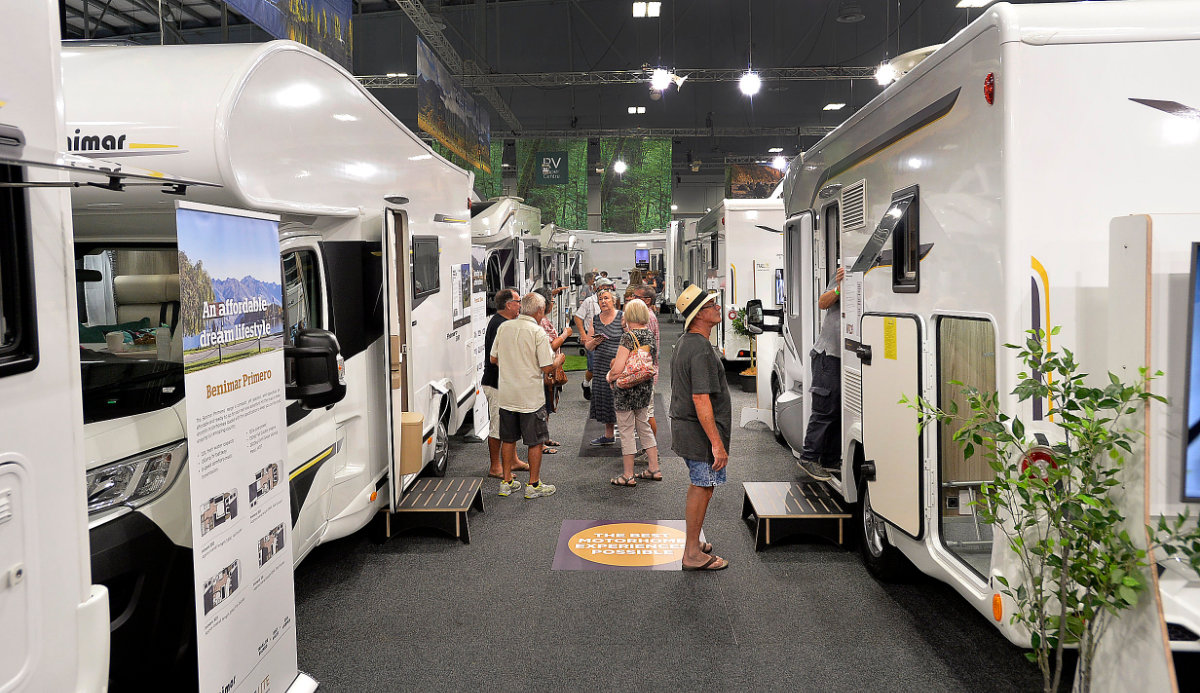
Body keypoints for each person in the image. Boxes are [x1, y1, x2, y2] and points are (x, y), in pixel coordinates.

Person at [671, 284, 731, 571]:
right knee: (702, 486)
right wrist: (716, 444)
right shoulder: (700, 349)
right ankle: (692, 554)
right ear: (699, 315)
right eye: (711, 306)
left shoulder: (687, 342)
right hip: (699, 434)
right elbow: (700, 398)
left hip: (689, 430)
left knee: (702, 486)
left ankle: (693, 544)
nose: (718, 308)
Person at [490, 292, 564, 499]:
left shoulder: (504, 327)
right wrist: (559, 360)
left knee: (508, 439)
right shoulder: (537, 332)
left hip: (507, 395)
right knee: (535, 442)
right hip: (530, 397)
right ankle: (533, 485)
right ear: (540, 310)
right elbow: (547, 367)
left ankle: (506, 482)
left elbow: (493, 359)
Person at [605, 298, 661, 486]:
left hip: (626, 390)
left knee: (627, 431)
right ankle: (654, 468)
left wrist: (610, 376)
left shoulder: (628, 337)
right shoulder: (649, 335)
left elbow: (618, 368)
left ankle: (628, 475)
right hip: (645, 387)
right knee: (644, 426)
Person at [796, 266, 844, 482]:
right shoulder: (844, 273)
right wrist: (839, 288)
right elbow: (823, 303)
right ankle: (809, 457)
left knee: (838, 410)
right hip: (828, 355)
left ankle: (830, 460)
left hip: (846, 357)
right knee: (825, 410)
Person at [481, 288, 528, 479]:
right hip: (497, 384)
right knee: (498, 426)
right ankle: (495, 467)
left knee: (510, 424)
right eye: (518, 301)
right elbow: (498, 358)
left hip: (506, 383)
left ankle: (513, 460)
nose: (520, 305)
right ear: (509, 305)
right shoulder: (500, 325)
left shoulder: (505, 322)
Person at [535, 287, 573, 454]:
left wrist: (554, 292)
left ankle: (545, 438)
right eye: (551, 301)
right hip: (545, 369)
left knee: (547, 406)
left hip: (549, 369)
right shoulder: (541, 322)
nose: (553, 304)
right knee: (542, 406)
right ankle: (540, 443)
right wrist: (565, 335)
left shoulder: (541, 319)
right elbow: (550, 346)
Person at [585, 288, 623, 446]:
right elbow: (588, 346)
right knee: (605, 399)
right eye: (600, 299)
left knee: (621, 399)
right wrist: (595, 341)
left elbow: (630, 339)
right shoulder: (595, 319)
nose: (603, 301)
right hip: (601, 365)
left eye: (606, 298)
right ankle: (608, 435)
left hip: (618, 364)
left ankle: (628, 436)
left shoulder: (622, 317)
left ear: (613, 300)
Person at [575, 276, 615, 400]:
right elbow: (578, 317)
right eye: (607, 287)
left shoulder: (611, 300)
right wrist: (583, 334)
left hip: (608, 337)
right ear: (600, 287)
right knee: (593, 368)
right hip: (593, 338)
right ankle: (586, 383)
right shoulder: (589, 301)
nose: (610, 289)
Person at [631, 284, 661, 451]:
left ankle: (650, 451)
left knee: (646, 414)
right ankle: (648, 449)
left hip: (644, 373)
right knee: (644, 414)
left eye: (636, 297)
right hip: (645, 372)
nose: (632, 299)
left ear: (647, 300)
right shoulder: (646, 316)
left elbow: (644, 349)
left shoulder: (647, 318)